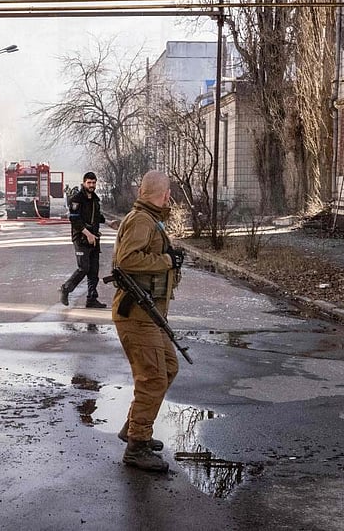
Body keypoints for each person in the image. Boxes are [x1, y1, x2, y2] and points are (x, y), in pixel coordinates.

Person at [111, 170, 185, 473]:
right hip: (138, 317)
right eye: (169, 193)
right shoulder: (142, 220)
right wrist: (167, 261)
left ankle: (134, 427)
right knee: (152, 377)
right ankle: (136, 447)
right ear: (165, 194)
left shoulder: (149, 218)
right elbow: (125, 260)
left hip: (150, 315)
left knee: (168, 368)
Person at [59, 171, 107, 308]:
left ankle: (92, 298)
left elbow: (98, 217)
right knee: (83, 268)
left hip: (94, 238)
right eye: (89, 183)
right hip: (81, 239)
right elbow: (74, 219)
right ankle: (66, 289)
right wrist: (88, 234)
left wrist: (110, 223)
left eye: (93, 183)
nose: (91, 185)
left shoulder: (95, 200)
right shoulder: (76, 199)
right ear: (84, 183)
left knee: (94, 270)